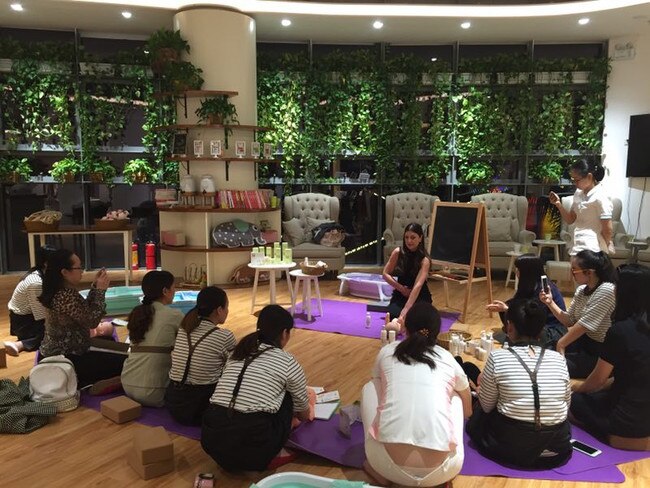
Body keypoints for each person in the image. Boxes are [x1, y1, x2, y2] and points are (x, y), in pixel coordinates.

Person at [361, 302, 472, 487]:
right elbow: (467, 408)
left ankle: (385, 476)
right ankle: (435, 479)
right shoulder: (447, 358)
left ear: (405, 327)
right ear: (437, 332)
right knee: (457, 396)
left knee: (372, 386)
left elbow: (378, 383)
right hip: (444, 470)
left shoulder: (388, 351)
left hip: (384, 465)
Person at [201, 305, 310, 472]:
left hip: (212, 439)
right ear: (284, 333)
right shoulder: (287, 361)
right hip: (255, 447)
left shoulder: (237, 353)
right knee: (287, 395)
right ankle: (275, 451)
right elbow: (303, 414)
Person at [467, 299, 572, 469]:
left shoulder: (498, 357)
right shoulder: (559, 360)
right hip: (556, 450)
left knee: (479, 414)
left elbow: (486, 407)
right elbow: (566, 406)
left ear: (509, 326)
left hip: (510, 448)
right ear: (542, 329)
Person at [571, 264, 650, 441]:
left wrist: (577, 388)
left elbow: (597, 381)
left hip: (624, 421)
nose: (613, 289)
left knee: (574, 401)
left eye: (616, 285)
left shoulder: (619, 331)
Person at [38, 249, 125, 388]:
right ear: (64, 272)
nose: (82, 271)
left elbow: (85, 310)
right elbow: (92, 321)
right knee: (128, 362)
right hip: (66, 359)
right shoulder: (64, 296)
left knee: (113, 345)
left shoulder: (64, 290)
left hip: (73, 350)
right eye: (78, 267)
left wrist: (96, 287)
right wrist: (100, 291)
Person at [540, 249, 615, 378]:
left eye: (574, 270)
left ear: (589, 273)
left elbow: (584, 325)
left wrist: (561, 345)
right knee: (543, 353)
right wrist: (550, 302)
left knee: (548, 365)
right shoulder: (582, 290)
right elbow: (569, 320)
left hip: (600, 351)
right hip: (583, 343)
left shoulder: (607, 290)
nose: (571, 273)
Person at [166, 286, 235, 425]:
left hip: (174, 401)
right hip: (201, 407)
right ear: (219, 310)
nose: (227, 311)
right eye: (227, 307)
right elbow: (236, 365)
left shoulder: (184, 329)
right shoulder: (224, 336)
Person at [120, 270, 183, 407]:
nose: (175, 290)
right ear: (165, 291)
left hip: (127, 385)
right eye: (173, 287)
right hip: (155, 392)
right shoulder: (174, 315)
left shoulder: (137, 313)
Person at [487, 254, 566, 348]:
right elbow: (519, 302)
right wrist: (505, 306)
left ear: (527, 271)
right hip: (540, 326)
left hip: (552, 329)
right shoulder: (530, 284)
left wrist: (507, 309)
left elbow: (535, 314)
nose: (516, 272)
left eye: (518, 269)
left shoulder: (544, 289)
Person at [549, 158, 614, 256]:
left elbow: (607, 228)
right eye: (573, 180)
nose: (575, 183)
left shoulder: (601, 196)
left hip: (594, 247)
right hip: (578, 243)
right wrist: (558, 204)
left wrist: (606, 245)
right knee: (574, 270)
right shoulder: (578, 193)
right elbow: (571, 219)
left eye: (577, 180)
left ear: (589, 176)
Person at [5, 245, 57, 356]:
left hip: (29, 318)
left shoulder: (43, 275)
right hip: (24, 322)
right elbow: (41, 316)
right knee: (57, 334)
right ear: (46, 264)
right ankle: (20, 344)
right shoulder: (36, 282)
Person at [383, 222, 432, 324]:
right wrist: (402, 289)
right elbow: (385, 274)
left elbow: (417, 286)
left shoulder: (425, 260)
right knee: (393, 314)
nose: (409, 241)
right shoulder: (397, 252)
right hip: (401, 293)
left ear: (420, 238)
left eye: (413, 237)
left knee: (415, 318)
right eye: (406, 237)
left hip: (419, 295)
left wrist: (405, 311)